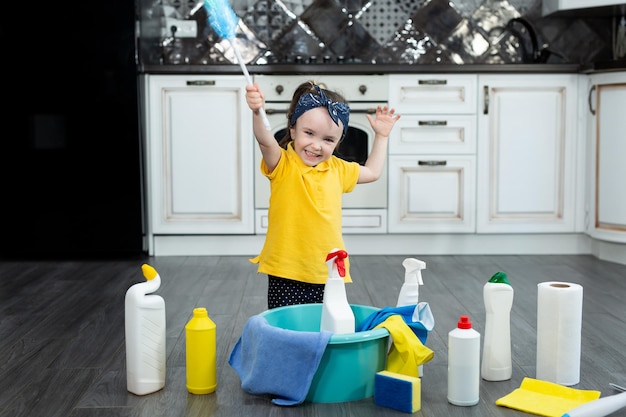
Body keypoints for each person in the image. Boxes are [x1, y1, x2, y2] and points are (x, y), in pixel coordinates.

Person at [246, 80, 400, 309]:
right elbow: (265, 141)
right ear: (293, 130)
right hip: (286, 269)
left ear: (338, 142)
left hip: (328, 271)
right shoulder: (283, 164)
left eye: (328, 139)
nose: (316, 146)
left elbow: (373, 172)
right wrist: (258, 111)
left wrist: (382, 136)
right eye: (309, 133)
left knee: (326, 327)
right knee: (287, 329)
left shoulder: (338, 169)